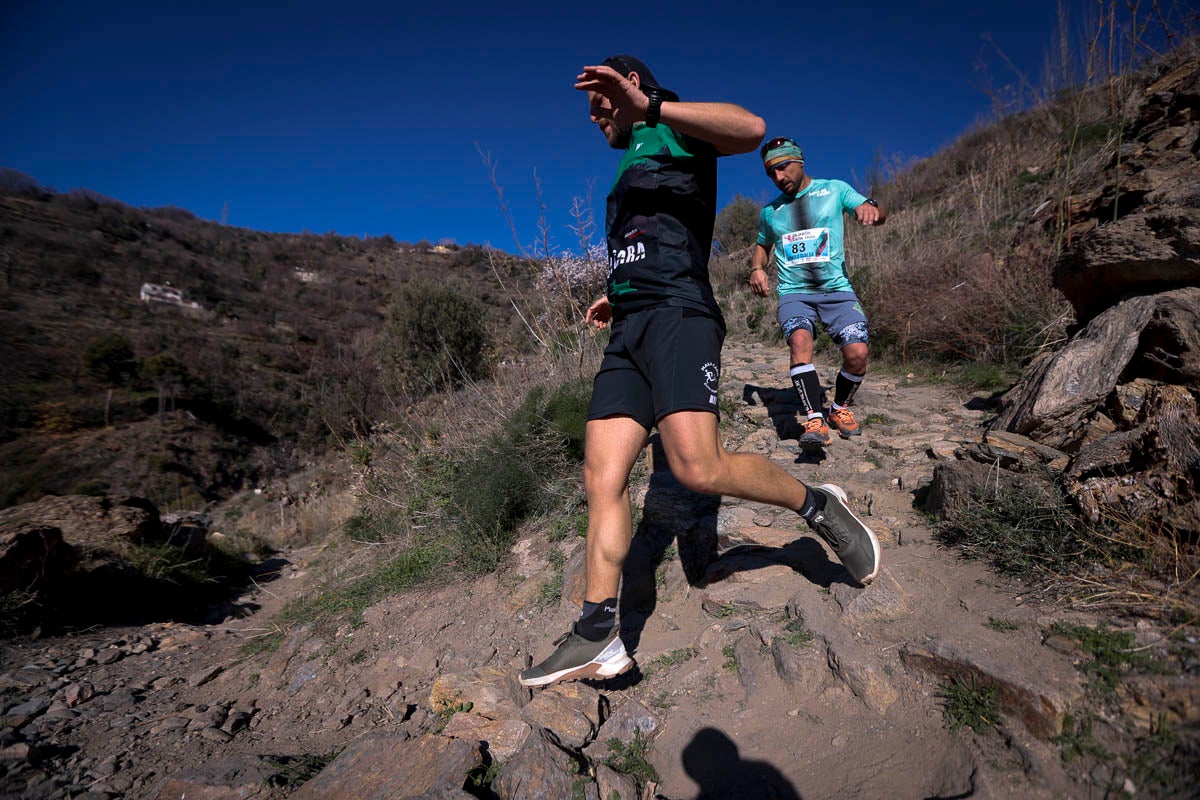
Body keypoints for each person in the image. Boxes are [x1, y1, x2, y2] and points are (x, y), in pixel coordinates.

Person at [518, 57, 880, 689]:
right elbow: (647, 239)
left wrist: (649, 106)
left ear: (634, 88)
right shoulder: (628, 167)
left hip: (680, 316)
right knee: (601, 477)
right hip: (630, 325)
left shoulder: (675, 128)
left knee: (695, 467)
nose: (596, 114)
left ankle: (817, 506)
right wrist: (615, 290)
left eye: (603, 101)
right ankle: (596, 633)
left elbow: (749, 127)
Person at [749, 137, 887, 449]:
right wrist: (757, 268)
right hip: (794, 293)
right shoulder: (770, 212)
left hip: (836, 291)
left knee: (858, 354)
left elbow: (876, 213)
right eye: (771, 173)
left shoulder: (835, 189)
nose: (778, 177)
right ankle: (815, 418)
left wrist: (871, 207)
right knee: (800, 341)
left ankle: (839, 410)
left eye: (783, 167)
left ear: (800, 161)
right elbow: (762, 244)